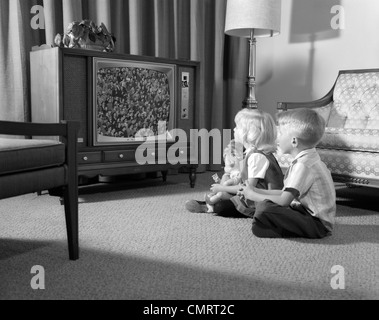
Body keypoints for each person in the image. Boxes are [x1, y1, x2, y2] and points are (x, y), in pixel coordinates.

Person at [238, 108, 336, 238]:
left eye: (281, 133)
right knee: (264, 205)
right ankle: (272, 226)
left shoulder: (303, 165)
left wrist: (252, 195)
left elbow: (284, 200)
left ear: (294, 141)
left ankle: (278, 229)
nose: (277, 138)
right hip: (304, 213)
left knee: (265, 208)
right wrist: (255, 190)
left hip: (317, 225)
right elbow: (284, 193)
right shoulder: (305, 159)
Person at [185, 108, 284, 217]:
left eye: (238, 127)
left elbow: (248, 189)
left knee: (221, 206)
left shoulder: (256, 157)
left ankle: (210, 206)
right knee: (223, 195)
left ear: (249, 133)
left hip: (264, 202)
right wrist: (231, 182)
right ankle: (210, 204)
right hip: (255, 195)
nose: (234, 130)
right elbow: (244, 182)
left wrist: (222, 188)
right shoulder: (253, 153)